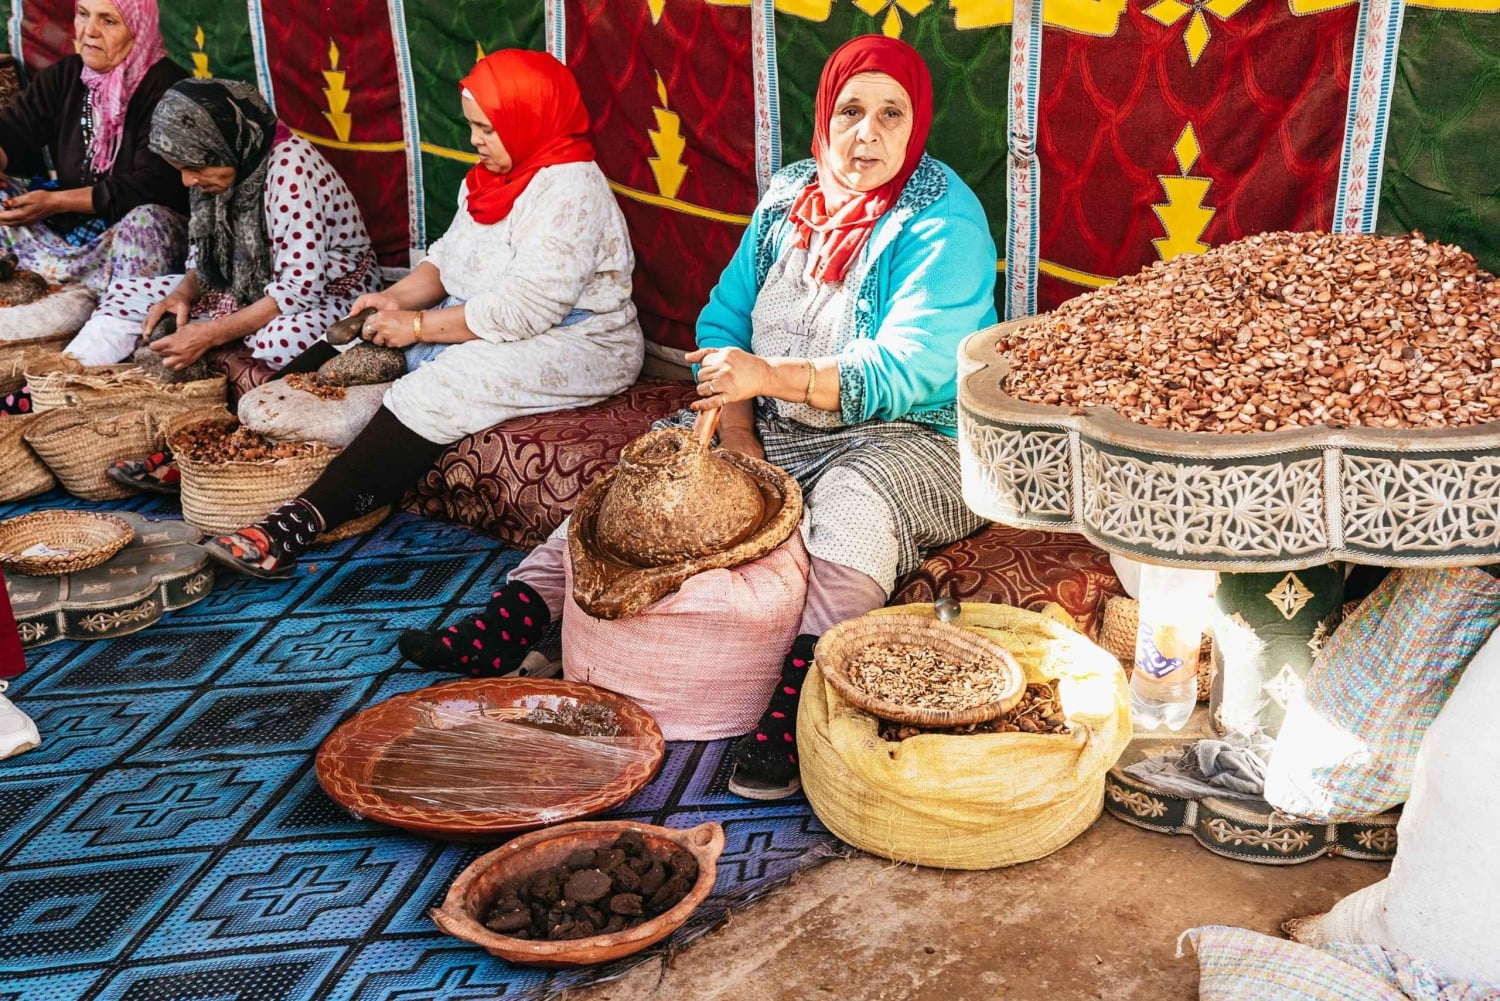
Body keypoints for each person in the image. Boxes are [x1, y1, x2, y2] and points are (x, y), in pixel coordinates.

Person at [399, 36, 997, 799]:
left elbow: (912, 367)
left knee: (854, 504)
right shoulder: (789, 195)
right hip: (770, 417)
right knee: (653, 466)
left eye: (891, 114)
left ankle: (796, 702)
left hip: (912, 435)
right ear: (825, 112)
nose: (866, 134)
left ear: (917, 126)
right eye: (850, 110)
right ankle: (513, 621)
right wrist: (739, 431)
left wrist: (768, 377)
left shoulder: (942, 218)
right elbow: (722, 321)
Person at [198, 50, 642, 575]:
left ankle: (290, 528)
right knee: (348, 334)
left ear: (531, 120)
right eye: (473, 126)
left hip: (582, 341)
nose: (475, 140)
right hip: (482, 315)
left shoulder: (571, 188)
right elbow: (446, 262)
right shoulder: (490, 178)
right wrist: (395, 301)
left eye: (487, 129)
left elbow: (526, 309)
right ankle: (221, 445)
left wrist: (416, 328)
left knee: (445, 383)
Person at [65, 78, 379, 374]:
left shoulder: (290, 171)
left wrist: (211, 334)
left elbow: (299, 291)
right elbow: (204, 260)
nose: (187, 180)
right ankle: (65, 379)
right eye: (181, 169)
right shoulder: (220, 169)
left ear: (224, 146)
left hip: (331, 296)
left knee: (280, 341)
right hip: (244, 288)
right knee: (125, 294)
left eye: (194, 168)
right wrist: (182, 295)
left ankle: (217, 339)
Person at [0, 0, 188, 294]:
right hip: (63, 236)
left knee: (148, 221)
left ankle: (117, 305)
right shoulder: (67, 76)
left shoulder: (169, 88)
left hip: (126, 245)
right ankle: (53, 281)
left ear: (138, 28)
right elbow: (12, 130)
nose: (89, 32)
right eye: (83, 15)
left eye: (108, 21)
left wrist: (56, 201)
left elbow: (157, 185)